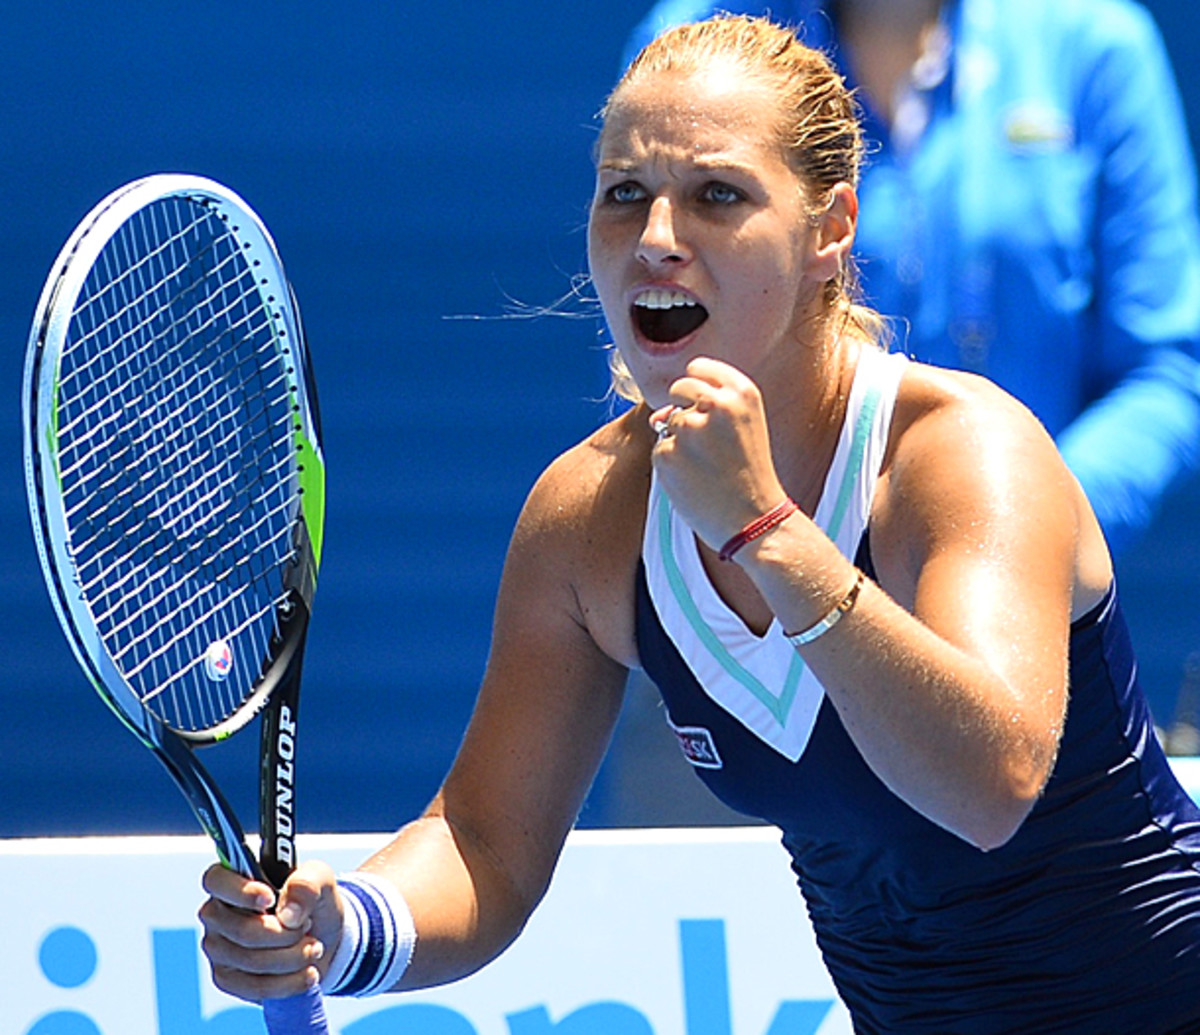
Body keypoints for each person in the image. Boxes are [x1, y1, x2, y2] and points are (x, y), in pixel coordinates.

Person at [198, 16, 1200, 1032]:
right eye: (623, 194)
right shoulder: (588, 519)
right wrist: (347, 926)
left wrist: (767, 531)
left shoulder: (963, 454)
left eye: (718, 196)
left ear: (831, 229)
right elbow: (483, 844)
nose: (658, 238)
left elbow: (992, 786)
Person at [624, 0, 1200, 560]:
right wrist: (771, 544)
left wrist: (1010, 530)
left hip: (1024, 571)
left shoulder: (1095, 45)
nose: (656, 237)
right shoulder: (695, 35)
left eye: (719, 193)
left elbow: (1168, 370)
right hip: (744, 587)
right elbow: (655, 341)